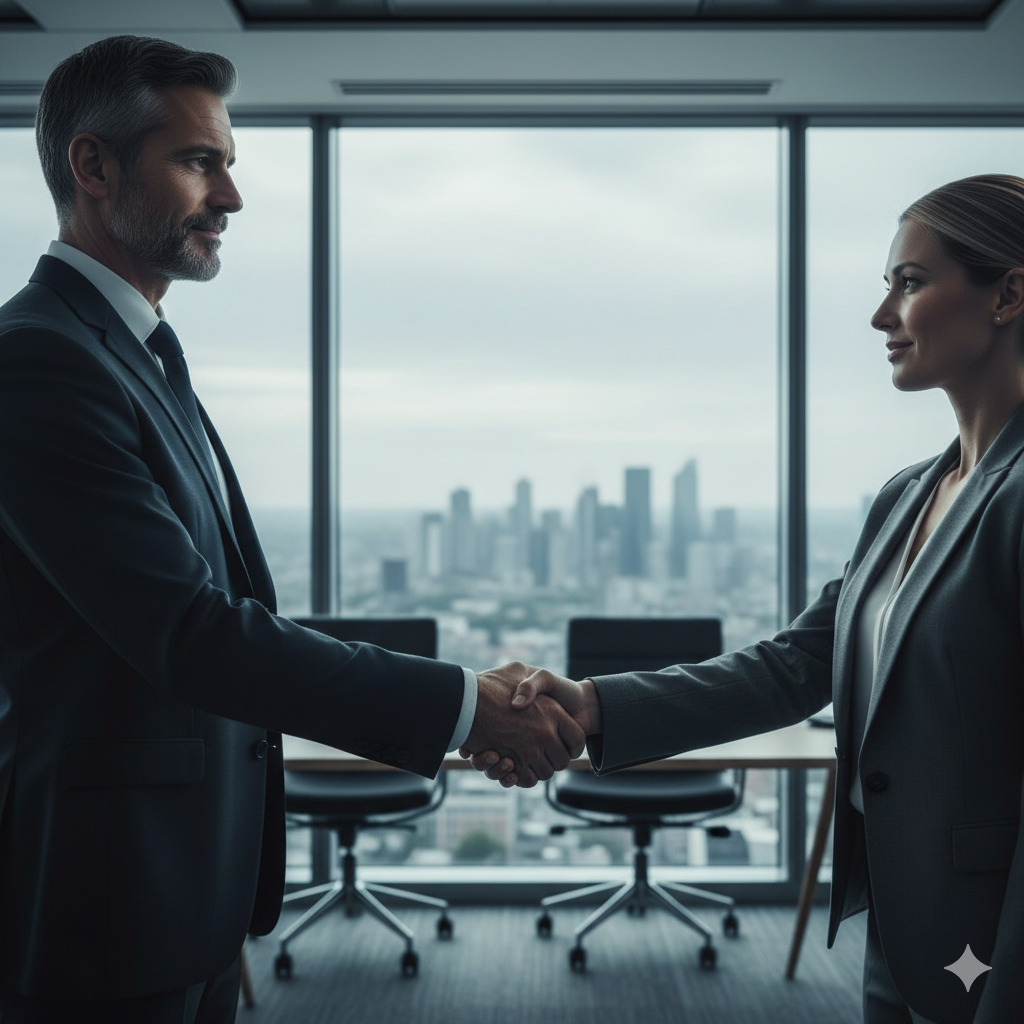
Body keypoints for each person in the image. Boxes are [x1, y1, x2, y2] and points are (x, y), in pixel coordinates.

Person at [0, 35, 580, 1024]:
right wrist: (464, 707)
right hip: (103, 891)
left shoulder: (131, 354)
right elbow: (190, 630)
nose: (229, 196)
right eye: (197, 162)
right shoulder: (39, 362)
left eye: (228, 164)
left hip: (184, 879)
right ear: (92, 167)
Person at [467, 174, 1024, 1024]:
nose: (882, 317)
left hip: (997, 941)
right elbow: (797, 666)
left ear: (1008, 295)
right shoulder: (911, 493)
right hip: (907, 922)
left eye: (909, 283)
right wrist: (587, 704)